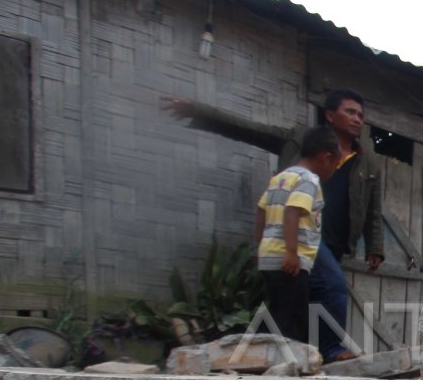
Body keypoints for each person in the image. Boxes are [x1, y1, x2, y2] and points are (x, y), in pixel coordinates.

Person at [162, 89, 384, 362]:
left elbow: (374, 209)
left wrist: (375, 246)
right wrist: (199, 111)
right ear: (330, 115)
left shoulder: (368, 163)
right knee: (332, 287)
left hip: (325, 242)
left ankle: (277, 353)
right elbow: (248, 130)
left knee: (296, 303)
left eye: (361, 115)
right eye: (350, 112)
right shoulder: (301, 143)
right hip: (298, 240)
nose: (357, 119)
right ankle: (329, 349)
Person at [253, 126, 341, 344]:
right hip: (290, 261)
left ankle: (260, 350)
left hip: (270, 256)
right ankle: (286, 359)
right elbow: (292, 211)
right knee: (292, 316)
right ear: (325, 157)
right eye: (335, 165)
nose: (334, 171)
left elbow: (261, 211)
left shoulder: (280, 178)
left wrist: (260, 245)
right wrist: (291, 252)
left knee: (278, 308)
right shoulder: (308, 181)